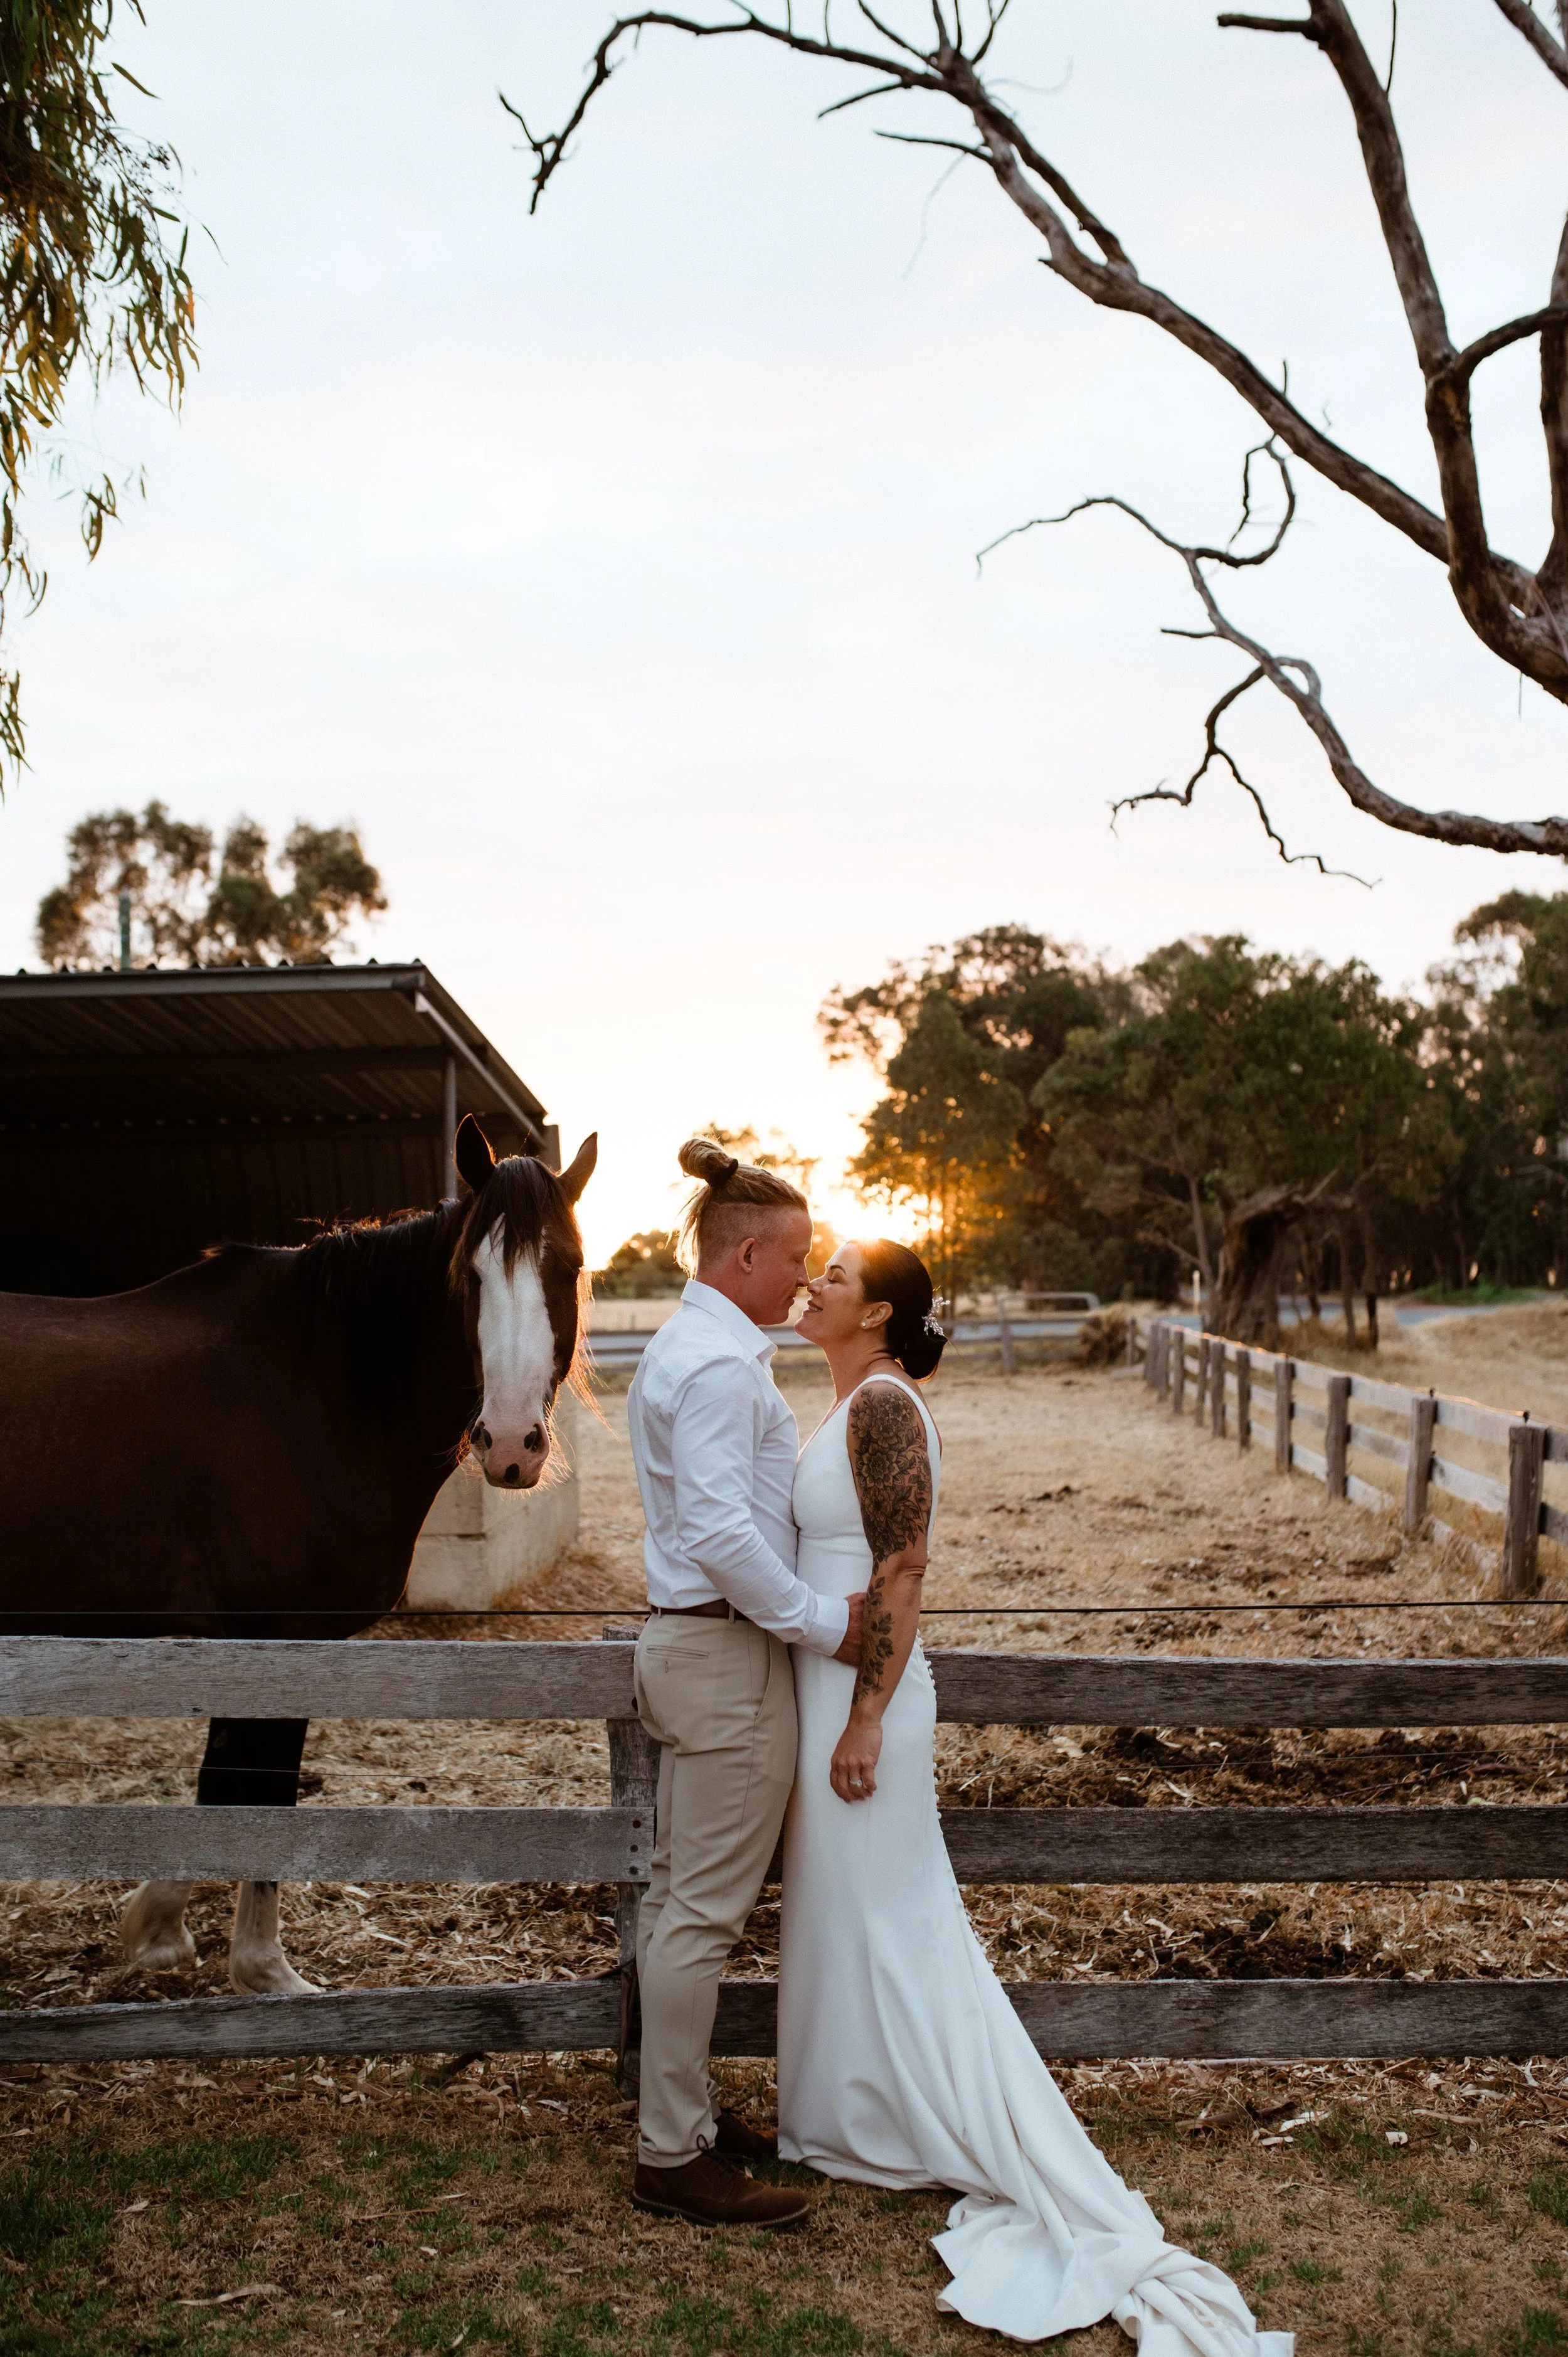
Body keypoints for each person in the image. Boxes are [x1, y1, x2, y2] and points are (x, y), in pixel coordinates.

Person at [781, 1239, 1293, 2356]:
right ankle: (855, 2118)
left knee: (891, 1914)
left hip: (865, 1703)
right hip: (821, 1696)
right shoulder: (838, 1403)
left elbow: (904, 1568)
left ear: (875, 1316)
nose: (811, 1284)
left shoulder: (882, 1409)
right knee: (846, 1911)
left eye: (832, 1275)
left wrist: (867, 1716)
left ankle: (925, 2122)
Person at [623, 1138, 865, 2231]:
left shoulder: (691, 1346)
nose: (807, 1281)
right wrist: (823, 1623)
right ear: (747, 1253)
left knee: (680, 1901)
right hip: (724, 1660)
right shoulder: (720, 1367)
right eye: (798, 1260)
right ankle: (671, 2155)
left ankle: (681, 2115)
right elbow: (721, 1528)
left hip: (691, 1649)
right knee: (702, 1919)